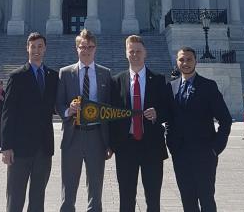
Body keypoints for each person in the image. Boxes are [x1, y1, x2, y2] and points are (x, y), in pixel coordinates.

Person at [166, 47, 232, 212]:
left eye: (189, 59)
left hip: (205, 153)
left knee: (206, 199)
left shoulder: (208, 86)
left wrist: (215, 148)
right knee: (187, 200)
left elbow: (225, 119)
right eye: (182, 59)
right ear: (177, 62)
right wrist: (171, 143)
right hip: (180, 153)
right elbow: (169, 119)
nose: (185, 63)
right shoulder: (171, 87)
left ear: (196, 61)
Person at [109, 35, 169, 212]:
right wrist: (111, 144)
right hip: (125, 146)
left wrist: (158, 113)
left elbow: (168, 109)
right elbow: (111, 116)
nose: (134, 54)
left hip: (152, 145)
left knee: (153, 197)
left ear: (145, 53)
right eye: (131, 51)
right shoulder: (116, 81)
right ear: (126, 54)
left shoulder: (158, 79)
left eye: (138, 51)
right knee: (126, 197)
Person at [1, 32, 58, 212]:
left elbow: (56, 106)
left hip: (43, 148)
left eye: (40, 46)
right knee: (15, 198)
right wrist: (6, 146)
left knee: (38, 199)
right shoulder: (17, 76)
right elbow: (7, 112)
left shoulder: (52, 76)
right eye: (33, 47)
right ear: (27, 48)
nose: (36, 50)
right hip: (20, 148)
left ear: (45, 49)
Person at [56, 29, 113, 212]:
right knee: (68, 188)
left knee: (96, 189)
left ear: (95, 49)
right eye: (82, 47)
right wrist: (68, 110)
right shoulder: (65, 73)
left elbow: (109, 107)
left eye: (90, 47)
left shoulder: (105, 73)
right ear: (76, 48)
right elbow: (58, 102)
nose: (86, 50)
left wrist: (109, 142)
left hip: (97, 136)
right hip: (73, 135)